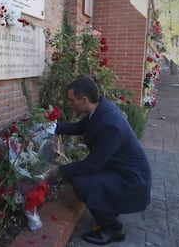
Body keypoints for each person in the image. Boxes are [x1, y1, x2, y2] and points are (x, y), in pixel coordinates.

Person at [51, 77, 151, 245]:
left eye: (71, 100)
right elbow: (80, 127)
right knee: (85, 178)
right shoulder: (99, 109)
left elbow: (91, 165)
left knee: (82, 183)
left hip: (132, 181)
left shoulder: (109, 124)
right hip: (120, 171)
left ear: (84, 100)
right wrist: (53, 127)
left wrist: (60, 171)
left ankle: (113, 229)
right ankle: (109, 209)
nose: (69, 104)